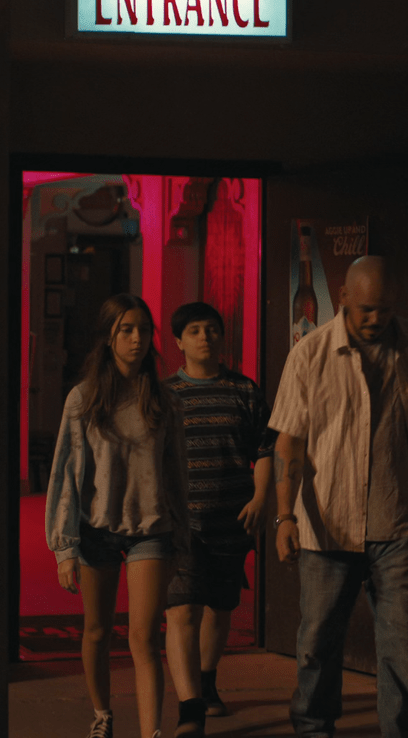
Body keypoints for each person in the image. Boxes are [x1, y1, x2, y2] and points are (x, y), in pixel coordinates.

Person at [268, 255, 408, 738]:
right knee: (318, 642)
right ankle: (313, 729)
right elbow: (288, 442)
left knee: (403, 646)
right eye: (366, 309)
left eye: (385, 308)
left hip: (398, 521)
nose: (376, 318)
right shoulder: (311, 354)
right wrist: (284, 516)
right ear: (343, 298)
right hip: (329, 523)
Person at [45, 293, 190, 738]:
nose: (136, 339)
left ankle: (151, 733)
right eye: (126, 329)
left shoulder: (165, 400)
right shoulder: (84, 399)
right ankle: (102, 715)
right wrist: (64, 547)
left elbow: (177, 474)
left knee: (143, 637)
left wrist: (182, 537)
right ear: (109, 337)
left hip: (151, 528)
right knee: (97, 630)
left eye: (144, 330)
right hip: (97, 528)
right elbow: (65, 474)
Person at [162, 302, 276, 738]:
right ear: (179, 341)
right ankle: (190, 708)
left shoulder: (244, 391)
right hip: (181, 524)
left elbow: (264, 449)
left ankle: (207, 680)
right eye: (194, 330)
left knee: (219, 607)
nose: (204, 337)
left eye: (211, 329)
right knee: (182, 609)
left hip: (232, 519)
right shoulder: (165, 393)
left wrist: (262, 497)